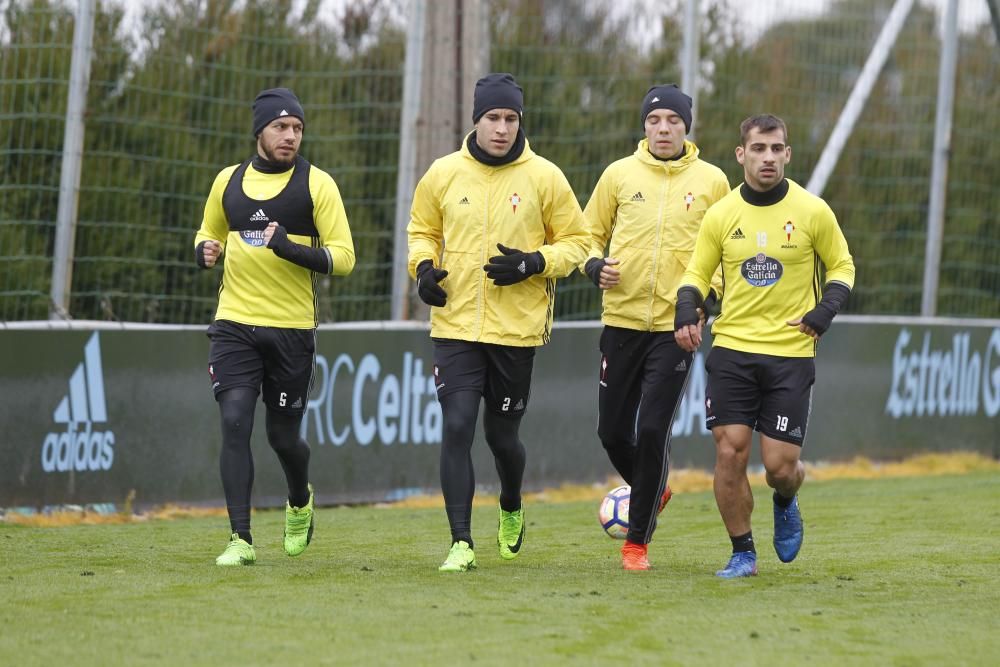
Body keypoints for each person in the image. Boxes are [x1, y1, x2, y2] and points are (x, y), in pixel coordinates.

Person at [407, 73, 590, 572]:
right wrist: (422, 270)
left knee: (502, 437)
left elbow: (578, 243)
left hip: (517, 329)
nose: (502, 128)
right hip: (455, 326)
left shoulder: (545, 177)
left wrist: (534, 262)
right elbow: (422, 230)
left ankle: (511, 503)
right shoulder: (443, 173)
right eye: (493, 118)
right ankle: (461, 542)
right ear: (476, 120)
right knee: (457, 426)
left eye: (511, 118)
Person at [674, 113, 855, 578]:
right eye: (758, 149)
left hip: (791, 352)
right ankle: (742, 552)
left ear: (788, 154)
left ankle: (786, 497)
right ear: (741, 155)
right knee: (729, 450)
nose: (768, 158)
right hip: (733, 349)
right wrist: (684, 307)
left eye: (776, 149)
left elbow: (842, 267)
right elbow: (696, 273)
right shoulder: (721, 215)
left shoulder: (812, 211)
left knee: (779, 465)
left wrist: (823, 312)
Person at [194, 88, 356, 566]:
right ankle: (240, 539)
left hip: (291, 330)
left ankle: (299, 500)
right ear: (260, 132)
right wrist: (204, 250)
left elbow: (344, 258)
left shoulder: (317, 185)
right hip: (235, 324)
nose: (290, 136)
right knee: (234, 421)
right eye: (281, 127)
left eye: (297, 128)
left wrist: (289, 248)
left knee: (284, 438)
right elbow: (209, 230)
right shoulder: (228, 181)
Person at [581, 85, 729, 571]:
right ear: (644, 126)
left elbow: (725, 260)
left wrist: (703, 306)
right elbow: (586, 236)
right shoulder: (619, 175)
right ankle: (653, 489)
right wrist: (593, 265)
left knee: (652, 430)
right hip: (620, 323)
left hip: (676, 329)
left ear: (687, 126)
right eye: (654, 120)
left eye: (673, 120)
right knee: (611, 432)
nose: (663, 128)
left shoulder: (712, 182)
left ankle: (636, 544)